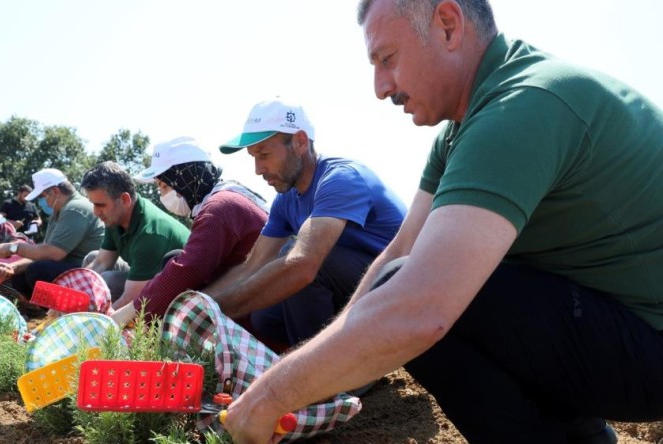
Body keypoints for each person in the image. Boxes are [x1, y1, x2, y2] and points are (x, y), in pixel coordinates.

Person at [219, 1, 663, 443]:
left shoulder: (521, 106)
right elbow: (399, 251)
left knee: (428, 299)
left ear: (448, 26)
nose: (379, 87)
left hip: (650, 343)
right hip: (614, 325)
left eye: (386, 59)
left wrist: (271, 397)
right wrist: (302, 369)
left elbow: (420, 307)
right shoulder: (460, 132)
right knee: (398, 283)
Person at [204, 97, 407, 349]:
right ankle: (344, 350)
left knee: (298, 263)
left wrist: (220, 309)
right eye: (253, 157)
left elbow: (304, 264)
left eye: (264, 154)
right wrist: (204, 304)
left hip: (402, 286)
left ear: (300, 141)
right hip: (356, 287)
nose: (258, 169)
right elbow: (253, 265)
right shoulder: (286, 198)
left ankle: (335, 370)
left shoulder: (341, 178)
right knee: (265, 316)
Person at [110, 137, 269, 325]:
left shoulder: (219, 208)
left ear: (185, 179)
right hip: (251, 292)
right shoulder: (225, 198)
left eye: (164, 186)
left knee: (176, 269)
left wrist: (130, 312)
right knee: (173, 257)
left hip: (260, 311)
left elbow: (188, 269)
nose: (162, 195)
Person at [79, 161, 190, 308]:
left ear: (124, 199)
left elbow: (131, 299)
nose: (95, 212)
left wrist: (93, 324)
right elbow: (102, 262)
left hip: (180, 295)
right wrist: (73, 294)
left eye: (100, 205)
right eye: (93, 204)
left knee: (106, 280)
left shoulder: (150, 233)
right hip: (145, 274)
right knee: (92, 260)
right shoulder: (115, 216)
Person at [0, 168, 105, 297]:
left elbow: (53, 254)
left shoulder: (75, 209)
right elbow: (43, 254)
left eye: (43, 196)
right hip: (72, 268)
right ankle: (45, 311)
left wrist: (13, 248)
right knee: (19, 276)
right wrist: (12, 268)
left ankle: (63, 310)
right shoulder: (59, 212)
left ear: (55, 191)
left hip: (91, 272)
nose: (42, 203)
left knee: (38, 270)